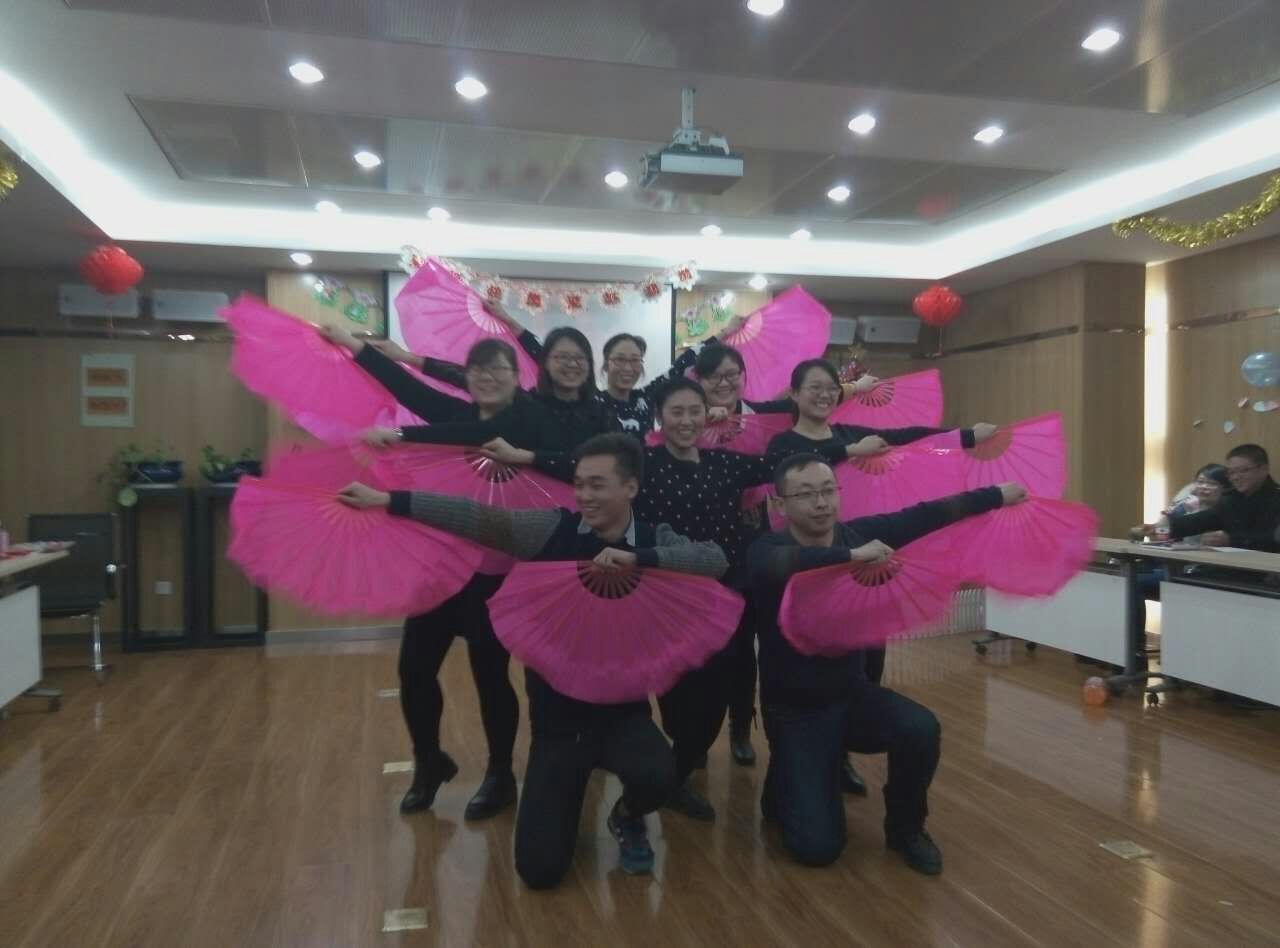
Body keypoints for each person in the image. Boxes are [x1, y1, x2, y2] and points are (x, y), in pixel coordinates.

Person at [338, 434, 729, 887]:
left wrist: (641, 558)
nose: (584, 495)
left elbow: (714, 560)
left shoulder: (654, 535)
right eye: (579, 484)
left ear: (631, 488)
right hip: (558, 725)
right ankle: (565, 795)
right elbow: (476, 517)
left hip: (623, 717)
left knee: (659, 776)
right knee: (539, 870)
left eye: (597, 485)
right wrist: (388, 500)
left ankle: (626, 814)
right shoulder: (551, 529)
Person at [748, 452, 1025, 874]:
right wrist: (850, 557)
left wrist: (996, 495)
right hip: (796, 711)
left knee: (920, 728)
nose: (820, 503)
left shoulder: (860, 533)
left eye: (827, 491)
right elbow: (780, 565)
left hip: (851, 695)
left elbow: (928, 514)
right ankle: (788, 780)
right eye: (805, 495)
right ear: (780, 504)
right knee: (817, 849)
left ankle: (906, 829)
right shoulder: (768, 548)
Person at [320, 327, 537, 821]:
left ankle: (500, 773)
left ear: (515, 378)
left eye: (498, 369)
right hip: (441, 564)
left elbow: (475, 439)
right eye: (478, 370)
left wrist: (402, 436)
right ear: (467, 377)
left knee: (489, 673)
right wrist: (356, 347)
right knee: (414, 669)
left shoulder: (525, 420)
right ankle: (429, 761)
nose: (487, 377)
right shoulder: (457, 412)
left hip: (494, 569)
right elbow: (407, 389)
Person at [764, 358, 998, 794]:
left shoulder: (849, 432)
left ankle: (843, 750)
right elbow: (791, 468)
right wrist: (851, 453)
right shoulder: (783, 444)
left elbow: (908, 439)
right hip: (811, 566)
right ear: (794, 394)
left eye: (831, 387)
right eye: (814, 387)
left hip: (862, 556)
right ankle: (798, 762)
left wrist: (964, 436)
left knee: (866, 661)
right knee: (804, 664)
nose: (824, 394)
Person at [1134, 445, 1280, 552]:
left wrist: (1232, 540)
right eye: (1231, 472)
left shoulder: (1275, 498)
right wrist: (1160, 528)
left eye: (1243, 471)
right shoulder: (1230, 500)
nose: (1236, 477)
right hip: (1227, 568)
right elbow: (1199, 521)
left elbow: (1272, 539)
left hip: (1267, 574)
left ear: (1264, 469)